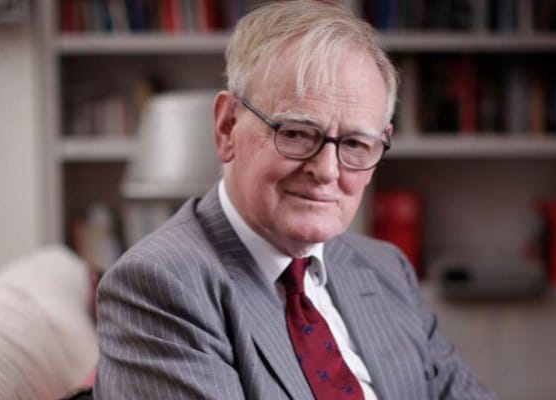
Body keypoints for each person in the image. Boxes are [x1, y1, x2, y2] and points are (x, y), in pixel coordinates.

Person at [95, 1, 495, 399]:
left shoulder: (386, 268)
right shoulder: (159, 286)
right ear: (227, 126)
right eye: (296, 133)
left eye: (355, 144)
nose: (327, 170)